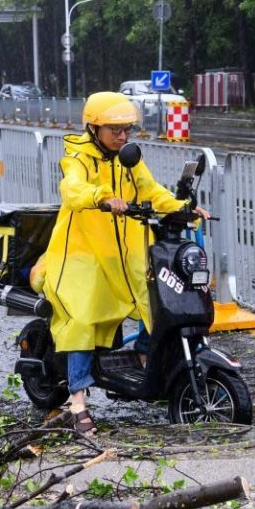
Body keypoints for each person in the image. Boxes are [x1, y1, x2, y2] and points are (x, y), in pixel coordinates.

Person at [39, 92, 209, 436]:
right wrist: (101, 196)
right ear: (93, 127)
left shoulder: (128, 159)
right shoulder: (78, 157)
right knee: (83, 317)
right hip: (82, 254)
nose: (122, 136)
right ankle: (77, 402)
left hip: (124, 250)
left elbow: (151, 191)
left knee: (160, 299)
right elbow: (72, 190)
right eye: (114, 129)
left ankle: (148, 357)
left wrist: (181, 207)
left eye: (127, 129)